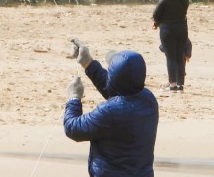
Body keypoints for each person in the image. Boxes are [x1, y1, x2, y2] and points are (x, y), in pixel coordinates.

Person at [64, 38, 158, 177]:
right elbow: (117, 88)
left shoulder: (110, 112)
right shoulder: (148, 99)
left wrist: (74, 98)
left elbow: (73, 128)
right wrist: (88, 63)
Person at [151, 0, 190, 92]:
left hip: (167, 29)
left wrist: (156, 22)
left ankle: (172, 84)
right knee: (179, 56)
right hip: (182, 28)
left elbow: (156, 14)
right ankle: (180, 85)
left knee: (170, 57)